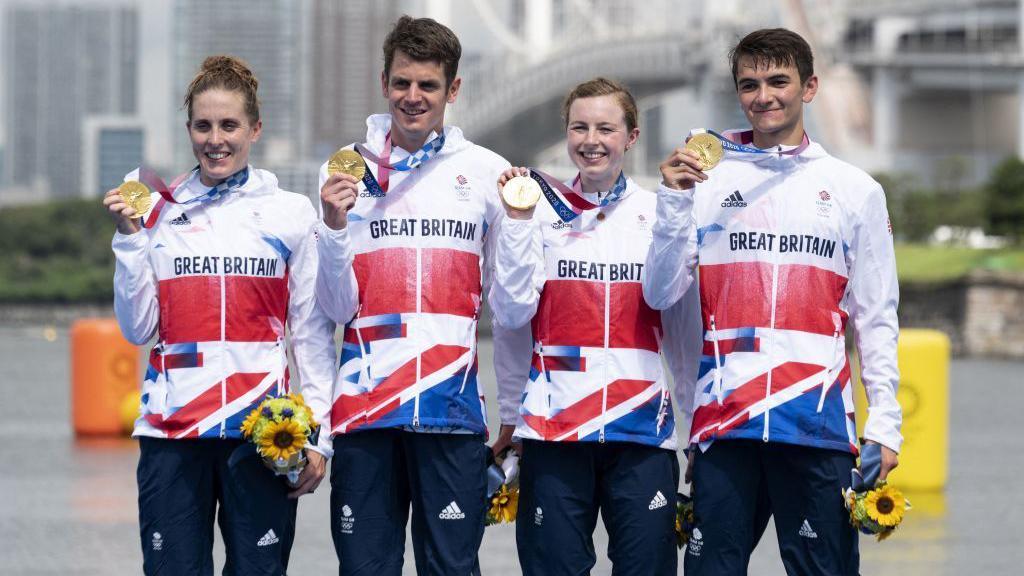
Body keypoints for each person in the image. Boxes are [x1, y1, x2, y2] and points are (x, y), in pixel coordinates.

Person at [642, 28, 903, 575]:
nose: (764, 96)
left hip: (816, 425)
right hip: (726, 424)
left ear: (809, 88)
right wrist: (671, 202)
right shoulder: (704, 179)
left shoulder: (855, 189)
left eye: (779, 81)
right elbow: (661, 294)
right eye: (750, 84)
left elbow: (877, 318)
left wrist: (886, 423)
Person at [103, 55, 336, 576]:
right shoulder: (157, 212)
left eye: (229, 125)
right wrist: (128, 238)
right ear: (188, 130)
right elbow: (137, 328)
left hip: (261, 435)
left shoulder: (290, 213)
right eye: (203, 126)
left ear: (255, 128)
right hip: (172, 435)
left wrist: (320, 437)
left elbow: (312, 338)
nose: (216, 140)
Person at [315, 15, 519, 575]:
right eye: (402, 82)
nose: (412, 97)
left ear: (452, 90)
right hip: (365, 414)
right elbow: (334, 309)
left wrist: (514, 410)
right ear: (384, 82)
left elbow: (512, 311)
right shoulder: (343, 170)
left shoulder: (487, 173)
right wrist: (333, 228)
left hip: (451, 413)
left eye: (427, 85)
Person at [489, 77, 697, 576]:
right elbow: (512, 317)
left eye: (606, 128)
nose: (591, 140)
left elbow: (675, 315)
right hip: (554, 432)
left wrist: (696, 428)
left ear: (631, 136)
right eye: (579, 127)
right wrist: (517, 223)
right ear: (566, 134)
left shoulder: (660, 210)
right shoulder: (534, 210)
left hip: (642, 433)